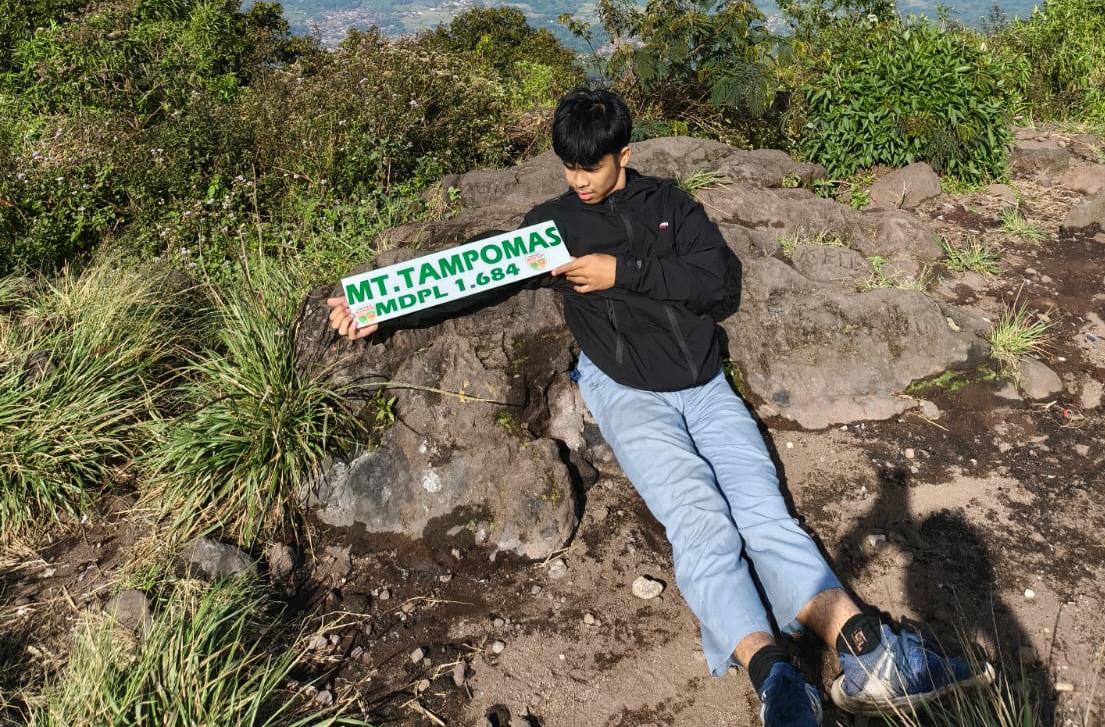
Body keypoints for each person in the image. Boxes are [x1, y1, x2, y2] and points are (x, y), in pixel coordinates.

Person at [328, 87, 993, 725]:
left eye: (592, 165)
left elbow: (716, 280)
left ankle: (867, 652)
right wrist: (377, 309)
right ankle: (780, 683)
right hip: (626, 393)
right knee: (701, 523)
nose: (580, 178)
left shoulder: (669, 204)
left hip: (706, 387)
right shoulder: (555, 225)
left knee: (766, 516)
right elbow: (474, 273)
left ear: (623, 152)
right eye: (569, 165)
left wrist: (624, 273)